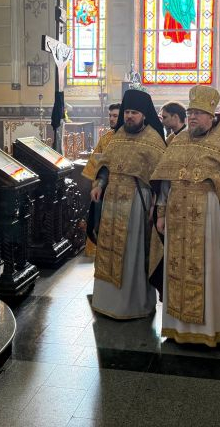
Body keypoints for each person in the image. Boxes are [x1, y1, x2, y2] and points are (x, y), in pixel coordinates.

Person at [151, 85, 220, 346]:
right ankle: (176, 328)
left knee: (207, 270)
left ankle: (209, 330)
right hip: (177, 214)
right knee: (176, 268)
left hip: (208, 217)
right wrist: (161, 213)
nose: (192, 117)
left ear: (212, 115)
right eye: (190, 113)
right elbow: (165, 182)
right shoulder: (178, 141)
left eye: (198, 113)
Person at [88, 90, 165, 319]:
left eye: (134, 113)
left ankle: (133, 304)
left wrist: (156, 206)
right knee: (108, 250)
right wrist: (100, 184)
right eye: (127, 112)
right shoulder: (118, 134)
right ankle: (107, 302)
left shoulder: (153, 139)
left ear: (144, 115)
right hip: (111, 200)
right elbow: (106, 165)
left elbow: (160, 177)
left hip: (137, 202)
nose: (129, 116)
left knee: (132, 252)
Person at [82, 103, 121, 246]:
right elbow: (94, 162)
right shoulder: (105, 138)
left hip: (121, 190)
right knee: (99, 226)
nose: (111, 119)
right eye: (110, 115)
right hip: (102, 187)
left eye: (115, 116)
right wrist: (96, 184)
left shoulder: (130, 139)